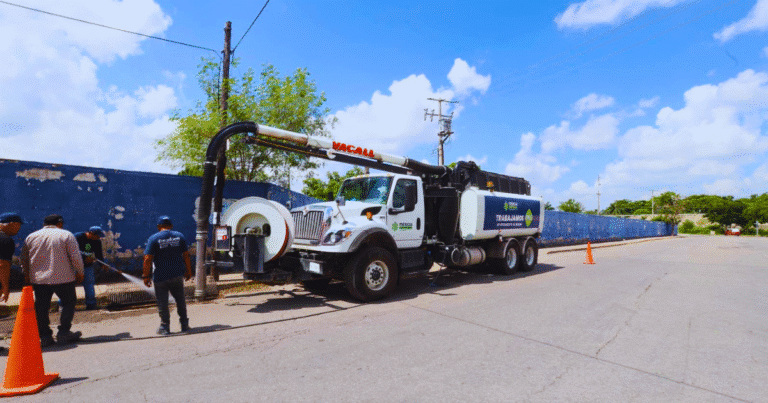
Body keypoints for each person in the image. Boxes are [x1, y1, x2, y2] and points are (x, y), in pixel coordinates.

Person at [20, 214, 84, 347]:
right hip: (64, 278)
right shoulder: (66, 235)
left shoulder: (31, 237)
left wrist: (26, 275)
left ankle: (45, 336)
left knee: (41, 308)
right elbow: (75, 256)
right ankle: (64, 332)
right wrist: (80, 272)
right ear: (60, 223)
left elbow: (24, 258)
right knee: (68, 303)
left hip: (40, 280)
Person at [143, 216, 192, 335]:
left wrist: (146, 276)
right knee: (180, 300)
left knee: (162, 302)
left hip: (161, 277)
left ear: (159, 227)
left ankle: (165, 327)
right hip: (177, 274)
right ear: (171, 226)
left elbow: (147, 258)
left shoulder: (154, 238)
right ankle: (184, 324)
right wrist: (188, 271)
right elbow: (186, 255)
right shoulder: (179, 236)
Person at [73, 226, 107, 310]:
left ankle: (91, 304)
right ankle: (65, 305)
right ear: (91, 233)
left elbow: (99, 255)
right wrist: (84, 258)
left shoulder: (97, 241)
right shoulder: (77, 237)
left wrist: (102, 264)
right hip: (73, 266)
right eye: (97, 236)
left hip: (87, 266)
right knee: (68, 285)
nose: (98, 238)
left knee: (89, 284)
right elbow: (71, 251)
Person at [0, 213, 24, 303]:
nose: (19, 228)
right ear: (12, 224)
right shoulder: (5, 239)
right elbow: (3, 265)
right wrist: (5, 287)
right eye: (19, 225)